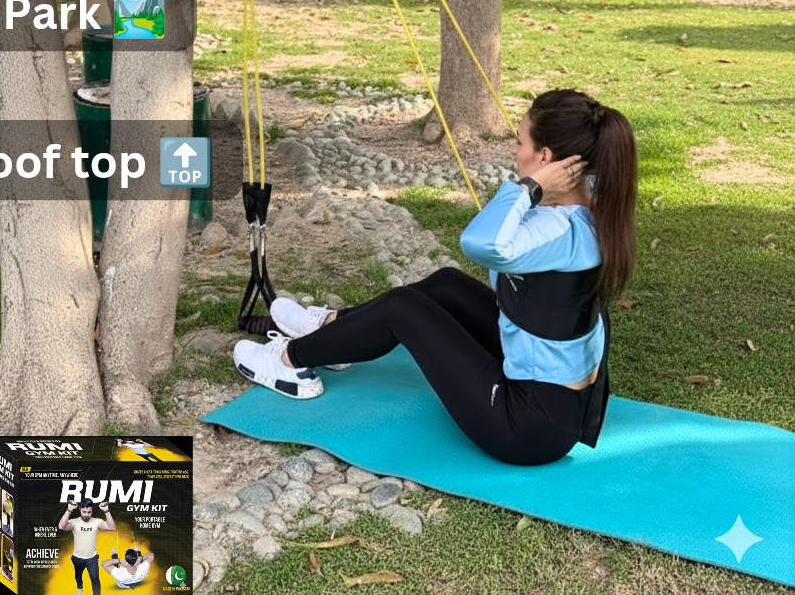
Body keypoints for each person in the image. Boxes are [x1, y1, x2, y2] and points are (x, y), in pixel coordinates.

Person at [234, 88, 637, 465]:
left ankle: (290, 361)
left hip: (528, 425)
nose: (514, 151)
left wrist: (528, 186)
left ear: (546, 158)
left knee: (402, 311)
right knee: (447, 284)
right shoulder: (589, 201)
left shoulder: (559, 231)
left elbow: (481, 243)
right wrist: (537, 187)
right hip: (545, 390)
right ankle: (330, 330)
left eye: (520, 142)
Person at [59, 497, 116, 594]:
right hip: (77, 557)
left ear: (92, 511)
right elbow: (61, 526)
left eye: (89, 512)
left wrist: (106, 510)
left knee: (95, 579)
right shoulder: (74, 522)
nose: (86, 515)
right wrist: (69, 510)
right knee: (78, 575)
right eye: (84, 512)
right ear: (80, 509)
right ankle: (80, 588)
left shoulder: (97, 522)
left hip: (92, 557)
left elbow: (112, 527)